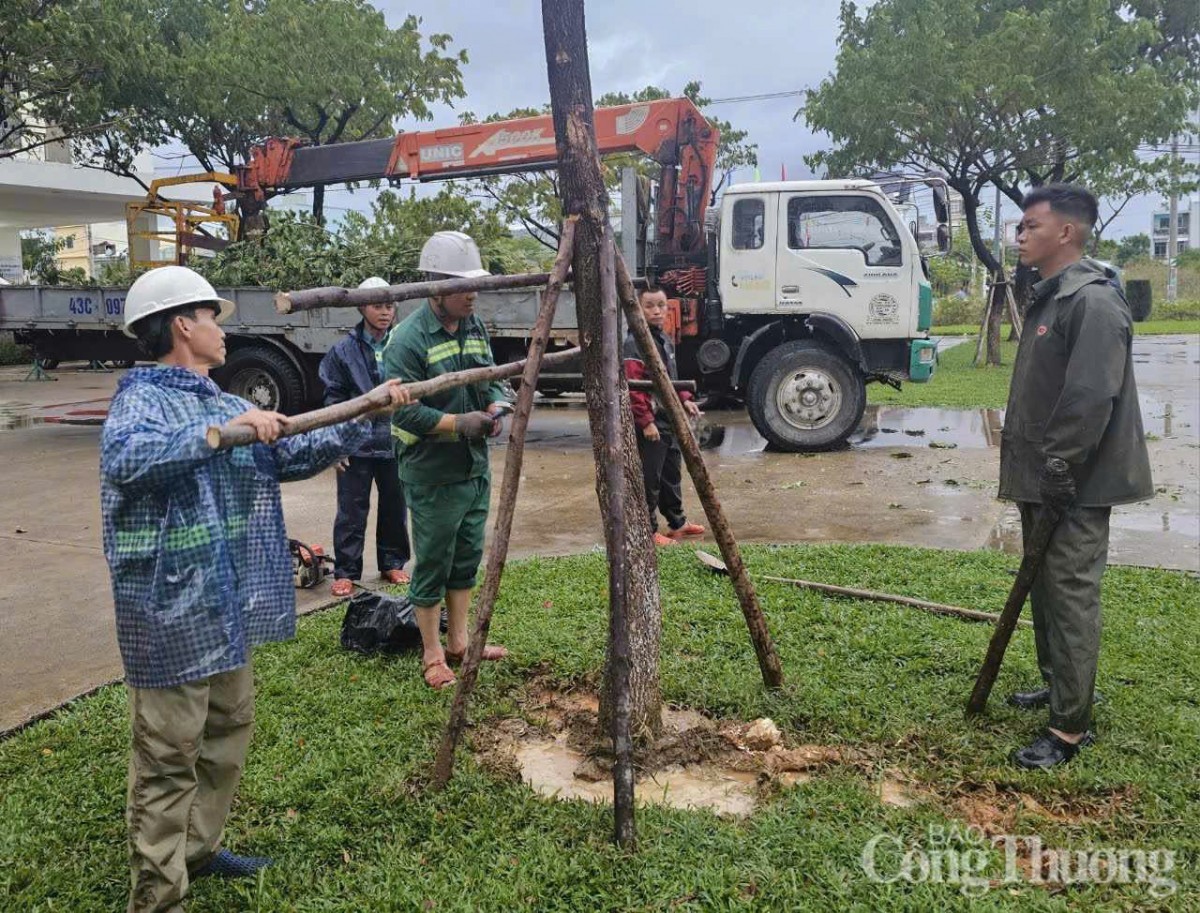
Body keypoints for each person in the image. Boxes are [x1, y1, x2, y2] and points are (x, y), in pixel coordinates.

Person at [101, 265, 408, 911]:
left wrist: (362, 416)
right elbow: (129, 460)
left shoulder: (225, 400)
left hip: (224, 600)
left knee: (225, 732)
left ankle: (200, 849)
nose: (222, 329)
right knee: (167, 755)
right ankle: (159, 895)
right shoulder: (142, 400)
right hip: (168, 610)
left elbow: (288, 454)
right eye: (213, 316)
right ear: (183, 324)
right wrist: (223, 435)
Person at [1001, 184, 1152, 770]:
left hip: (1075, 479)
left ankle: (1069, 729)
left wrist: (1062, 465)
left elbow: (1091, 397)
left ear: (1065, 232)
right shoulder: (1051, 295)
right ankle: (1058, 685)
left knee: (1069, 592)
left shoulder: (1091, 300)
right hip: (1044, 473)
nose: (1019, 236)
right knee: (1044, 584)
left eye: (1030, 226)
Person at [382, 231, 511, 690]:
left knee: (465, 558)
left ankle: (460, 642)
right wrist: (458, 424)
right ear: (435, 284)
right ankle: (432, 653)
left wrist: (496, 405)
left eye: (474, 284)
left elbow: (492, 377)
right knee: (434, 559)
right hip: (432, 472)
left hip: (472, 468)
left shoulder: (473, 325)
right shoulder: (407, 340)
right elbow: (405, 409)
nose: (472, 293)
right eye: (462, 285)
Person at [319, 277, 411, 597]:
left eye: (389, 306)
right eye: (377, 306)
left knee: (395, 506)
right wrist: (337, 443)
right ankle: (346, 571)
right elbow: (334, 400)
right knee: (351, 509)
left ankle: (392, 562)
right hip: (356, 443)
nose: (385, 312)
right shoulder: (343, 351)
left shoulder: (402, 343)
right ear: (361, 307)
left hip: (395, 440)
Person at [622, 286, 706, 546]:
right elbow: (633, 385)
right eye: (650, 306)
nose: (657, 311)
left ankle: (678, 523)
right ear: (638, 308)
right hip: (651, 420)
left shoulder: (663, 338)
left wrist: (685, 400)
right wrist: (645, 421)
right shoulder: (634, 342)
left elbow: (671, 378)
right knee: (651, 476)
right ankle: (648, 530)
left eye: (661, 305)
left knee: (671, 471)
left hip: (667, 417)